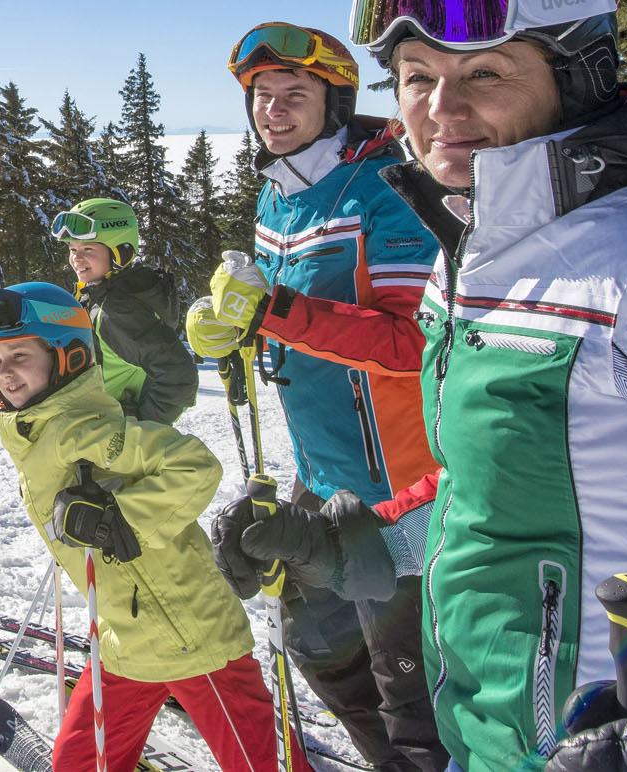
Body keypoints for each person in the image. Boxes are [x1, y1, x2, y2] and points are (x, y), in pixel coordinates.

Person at [233, 2, 627, 770]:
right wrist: (357, 543)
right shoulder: (473, 262)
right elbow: (489, 494)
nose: (440, 109)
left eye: (484, 72)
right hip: (492, 745)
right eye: (418, 77)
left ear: (576, 77)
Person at [184, 22, 448, 772]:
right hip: (321, 471)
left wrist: (271, 312)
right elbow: (290, 323)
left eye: (293, 95)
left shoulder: (389, 186)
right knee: (314, 643)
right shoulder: (280, 197)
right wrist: (236, 331)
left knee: (412, 695)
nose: (274, 110)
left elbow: (416, 341)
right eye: (263, 97)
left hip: (402, 484)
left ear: (333, 101)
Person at [0, 282, 311, 772]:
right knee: (77, 764)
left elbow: (194, 465)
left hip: (192, 640)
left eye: (19, 353)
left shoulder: (86, 428)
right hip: (123, 643)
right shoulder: (37, 432)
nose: (6, 372)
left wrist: (117, 518)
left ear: (68, 354)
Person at [49, 199, 199, 425]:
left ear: (121, 251)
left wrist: (140, 426)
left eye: (88, 249)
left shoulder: (117, 311)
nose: (76, 259)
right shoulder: (106, 295)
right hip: (100, 431)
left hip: (112, 439)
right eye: (72, 250)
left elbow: (179, 375)